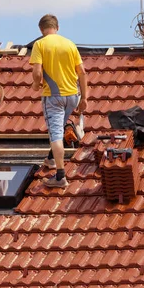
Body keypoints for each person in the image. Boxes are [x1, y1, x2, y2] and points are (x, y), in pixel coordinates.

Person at [30, 14, 89, 188]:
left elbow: (37, 72)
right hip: (72, 95)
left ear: (41, 30)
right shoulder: (70, 44)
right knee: (60, 126)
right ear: (57, 27)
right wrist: (84, 98)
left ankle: (60, 175)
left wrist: (35, 84)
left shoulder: (40, 44)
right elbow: (82, 73)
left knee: (55, 134)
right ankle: (50, 159)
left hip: (53, 97)